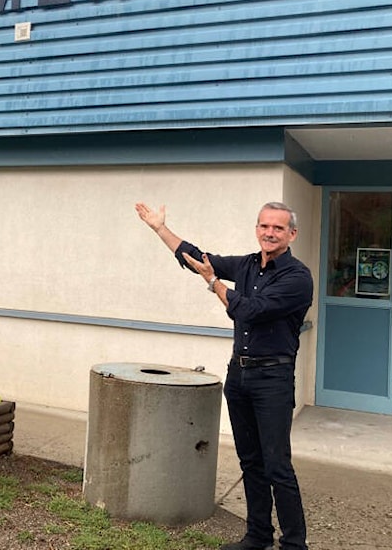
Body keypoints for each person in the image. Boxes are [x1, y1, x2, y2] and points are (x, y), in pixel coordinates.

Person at [135, 200, 313, 550]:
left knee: (277, 465)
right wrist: (159, 228)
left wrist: (214, 282)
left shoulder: (297, 277)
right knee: (251, 461)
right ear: (257, 229)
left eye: (278, 228)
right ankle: (258, 535)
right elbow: (196, 259)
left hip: (273, 380)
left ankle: (294, 544)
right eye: (264, 226)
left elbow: (250, 310)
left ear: (292, 234)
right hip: (240, 377)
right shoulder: (247, 265)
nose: (270, 233)